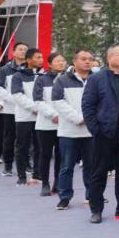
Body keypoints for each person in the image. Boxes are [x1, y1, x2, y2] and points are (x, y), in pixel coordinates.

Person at [82, 43, 119, 223]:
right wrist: (95, 129)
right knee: (99, 173)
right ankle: (96, 209)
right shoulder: (97, 78)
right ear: (110, 58)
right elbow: (88, 105)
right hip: (103, 133)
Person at [51, 49, 94, 210]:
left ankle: (92, 195)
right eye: (83, 58)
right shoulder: (62, 80)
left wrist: (90, 118)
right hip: (69, 131)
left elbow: (102, 100)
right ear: (74, 61)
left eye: (90, 59)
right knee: (67, 166)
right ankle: (64, 197)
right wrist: (77, 118)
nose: (87, 61)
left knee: (91, 166)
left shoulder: (96, 79)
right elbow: (57, 101)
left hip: (91, 131)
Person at [32, 52, 65, 196]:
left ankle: (58, 183)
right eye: (57, 61)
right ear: (50, 64)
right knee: (45, 154)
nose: (61, 63)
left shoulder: (67, 79)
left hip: (64, 124)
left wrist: (63, 116)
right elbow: (38, 100)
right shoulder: (41, 79)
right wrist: (53, 115)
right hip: (45, 124)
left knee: (61, 155)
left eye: (63, 61)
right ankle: (45, 183)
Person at [0, 42, 29, 177]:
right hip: (11, 109)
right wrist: (14, 99)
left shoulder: (30, 69)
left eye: (25, 50)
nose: (23, 51)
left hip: (27, 110)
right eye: (20, 49)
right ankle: (8, 165)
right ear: (13, 52)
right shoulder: (5, 69)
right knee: (9, 138)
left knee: (26, 139)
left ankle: (26, 164)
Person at [9, 48, 44, 185]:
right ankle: (22, 176)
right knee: (22, 147)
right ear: (29, 60)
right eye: (38, 57)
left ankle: (37, 174)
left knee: (39, 147)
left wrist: (41, 109)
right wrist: (34, 108)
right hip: (24, 117)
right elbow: (17, 95)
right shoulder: (18, 75)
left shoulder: (43, 75)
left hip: (41, 117)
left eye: (41, 57)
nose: (41, 60)